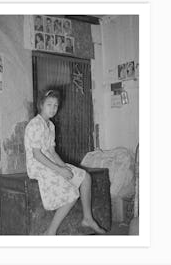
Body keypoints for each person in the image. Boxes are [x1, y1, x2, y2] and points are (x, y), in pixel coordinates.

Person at [24, 89, 107, 235]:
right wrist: (59, 170)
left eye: (56, 105)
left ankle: (87, 218)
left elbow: (52, 151)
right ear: (41, 105)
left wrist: (64, 167)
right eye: (49, 104)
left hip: (50, 162)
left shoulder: (50, 126)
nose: (53, 109)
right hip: (38, 166)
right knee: (72, 193)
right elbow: (37, 155)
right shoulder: (35, 124)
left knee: (85, 177)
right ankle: (50, 232)